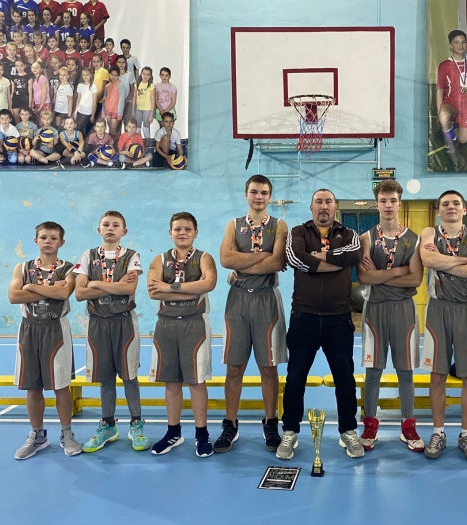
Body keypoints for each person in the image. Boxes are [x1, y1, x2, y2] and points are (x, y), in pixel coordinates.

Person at [278, 189, 364, 460]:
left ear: (335, 206)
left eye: (328, 202)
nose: (324, 206)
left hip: (338, 320)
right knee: (295, 379)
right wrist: (335, 261)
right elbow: (294, 258)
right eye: (319, 202)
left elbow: (354, 257)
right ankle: (290, 431)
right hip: (303, 318)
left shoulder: (349, 234)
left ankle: (348, 431)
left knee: (345, 380)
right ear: (311, 207)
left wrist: (314, 258)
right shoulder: (298, 232)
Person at [215, 174, 288, 453]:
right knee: (234, 367)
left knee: (268, 367)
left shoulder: (280, 225)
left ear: (270, 196)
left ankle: (270, 422)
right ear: (246, 195)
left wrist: (242, 261)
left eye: (264, 192)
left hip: (266, 299)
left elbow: (277, 262)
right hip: (237, 301)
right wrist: (263, 257)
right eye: (254, 192)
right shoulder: (233, 225)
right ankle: (230, 424)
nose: (259, 197)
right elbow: (225, 259)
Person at [418, 190, 467, 462]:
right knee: (437, 374)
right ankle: (438, 432)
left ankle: (466, 434)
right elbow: (428, 261)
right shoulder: (429, 232)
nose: (451, 207)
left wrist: (445, 263)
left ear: (464, 209)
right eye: (445, 204)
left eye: (456, 203)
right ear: (438, 210)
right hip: (439, 308)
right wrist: (466, 260)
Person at [73, 210, 149, 452]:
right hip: (97, 322)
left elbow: (128, 290)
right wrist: (114, 285)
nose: (110, 228)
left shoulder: (131, 256)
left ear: (123, 231)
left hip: (124, 322)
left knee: (129, 376)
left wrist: (95, 283)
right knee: (105, 379)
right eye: (106, 224)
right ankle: (108, 426)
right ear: (99, 230)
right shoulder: (87, 256)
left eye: (116, 225)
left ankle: (136, 425)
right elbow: (79, 293)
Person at [357, 180, 424, 452]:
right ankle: (370, 425)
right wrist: (398, 271)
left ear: (399, 203)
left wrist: (380, 276)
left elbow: (415, 279)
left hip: (403, 310)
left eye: (392, 200)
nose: (388, 205)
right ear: (377, 204)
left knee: (405, 371)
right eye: (383, 200)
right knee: (373, 371)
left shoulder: (413, 239)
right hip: (374, 309)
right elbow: (364, 277)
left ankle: (408, 426)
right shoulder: (365, 238)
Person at [7, 221, 83, 459]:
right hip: (29, 328)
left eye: (53, 238)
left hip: (56, 329)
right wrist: (46, 287)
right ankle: (37, 435)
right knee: (33, 387)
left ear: (61, 242)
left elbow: (63, 293)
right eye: (43, 237)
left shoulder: (69, 269)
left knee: (61, 386)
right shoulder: (22, 268)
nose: (48, 241)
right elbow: (13, 296)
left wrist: (30, 288)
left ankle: (67, 434)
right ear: (36, 241)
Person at [147, 212, 218, 457]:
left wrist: (170, 287)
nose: (182, 233)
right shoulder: (159, 259)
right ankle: (173, 433)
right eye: (177, 229)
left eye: (188, 229)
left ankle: (202, 434)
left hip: (194, 324)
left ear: (195, 233)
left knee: (196, 382)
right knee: (172, 382)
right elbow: (153, 292)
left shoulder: (204, 258)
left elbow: (208, 284)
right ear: (170, 233)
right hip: (166, 325)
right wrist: (191, 289)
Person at [437, 30, 467, 149]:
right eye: (456, 42)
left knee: (463, 140)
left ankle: (453, 128)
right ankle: (450, 137)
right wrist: (439, 113)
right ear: (450, 45)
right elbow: (440, 91)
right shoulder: (444, 65)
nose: (460, 45)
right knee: (443, 114)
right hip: (452, 102)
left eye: (463, 42)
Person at [73, 66, 95, 135]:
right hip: (80, 111)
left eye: (87, 74)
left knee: (88, 131)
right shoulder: (80, 85)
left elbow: (94, 102)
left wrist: (93, 115)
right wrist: (75, 112)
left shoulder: (93, 86)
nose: (85, 76)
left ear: (91, 75)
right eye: (83, 75)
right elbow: (78, 99)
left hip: (89, 113)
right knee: (79, 130)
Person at [133, 66, 154, 138]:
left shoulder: (151, 86)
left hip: (147, 109)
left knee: (146, 128)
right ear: (141, 74)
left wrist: (151, 114)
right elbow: (134, 98)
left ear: (150, 76)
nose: (145, 76)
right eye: (144, 74)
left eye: (148, 75)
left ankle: (147, 143)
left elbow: (153, 101)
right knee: (137, 128)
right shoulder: (137, 84)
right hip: (138, 109)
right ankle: (138, 142)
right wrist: (133, 111)